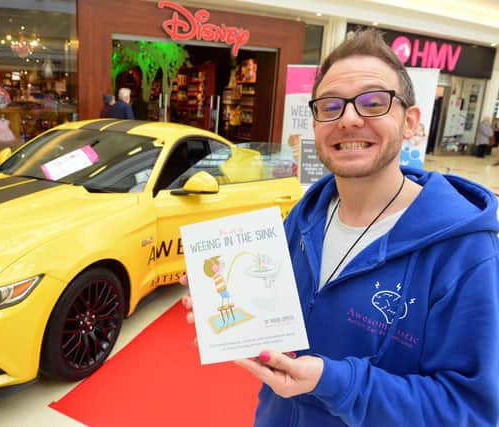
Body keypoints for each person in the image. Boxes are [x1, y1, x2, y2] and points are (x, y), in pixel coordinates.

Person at [181, 28, 499, 426]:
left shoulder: (465, 252)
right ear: (314, 124)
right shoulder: (305, 216)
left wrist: (337, 382)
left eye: (373, 102)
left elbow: (470, 411)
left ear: (410, 122)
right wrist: (225, 295)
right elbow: (275, 312)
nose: (348, 119)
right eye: (330, 106)